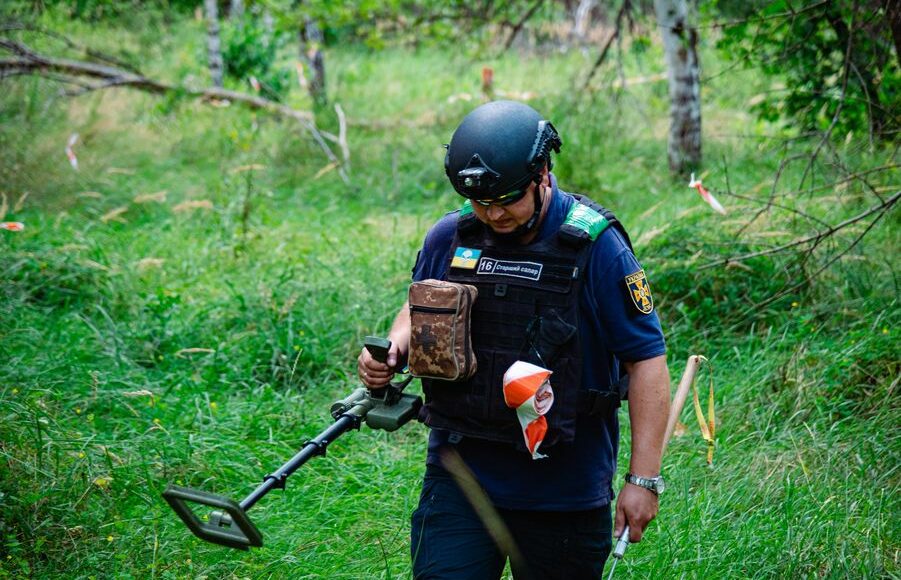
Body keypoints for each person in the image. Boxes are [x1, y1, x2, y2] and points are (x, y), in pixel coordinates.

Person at [358, 100, 670, 579]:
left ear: (541, 173)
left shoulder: (596, 246)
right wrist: (395, 348)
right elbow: (420, 302)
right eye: (480, 201)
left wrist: (643, 480)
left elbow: (646, 361)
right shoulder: (452, 234)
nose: (493, 214)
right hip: (461, 476)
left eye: (506, 198)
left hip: (563, 492)